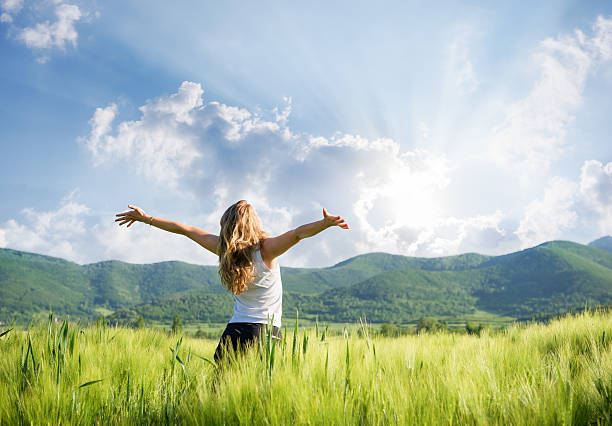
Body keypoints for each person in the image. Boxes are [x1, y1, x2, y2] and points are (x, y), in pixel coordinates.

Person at [115, 200, 348, 362]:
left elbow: (185, 229)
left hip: (235, 333)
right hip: (266, 334)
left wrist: (147, 219)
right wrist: (325, 224)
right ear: (254, 223)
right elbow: (298, 233)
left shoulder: (224, 250)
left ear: (226, 225)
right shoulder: (267, 249)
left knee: (220, 395)